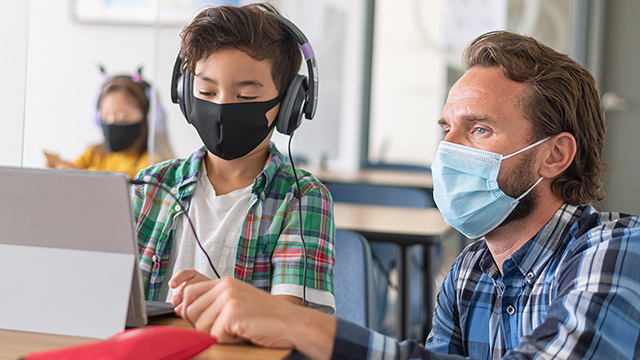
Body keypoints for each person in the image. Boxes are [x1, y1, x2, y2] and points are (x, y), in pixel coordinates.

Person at [174, 30, 640, 359]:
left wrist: (303, 325)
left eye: (479, 129)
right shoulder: (468, 273)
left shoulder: (618, 250)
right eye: (446, 129)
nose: (448, 149)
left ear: (554, 155)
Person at [130, 3, 336, 314]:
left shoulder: (302, 198)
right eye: (207, 92)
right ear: (186, 96)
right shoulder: (149, 187)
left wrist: (222, 300)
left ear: (290, 104)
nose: (223, 108)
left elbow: (293, 324)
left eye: (246, 97)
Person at [44, 71, 168, 178]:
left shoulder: (152, 162)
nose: (111, 123)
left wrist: (82, 176)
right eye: (104, 117)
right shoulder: (93, 153)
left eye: (121, 118)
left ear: (149, 118)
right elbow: (72, 169)